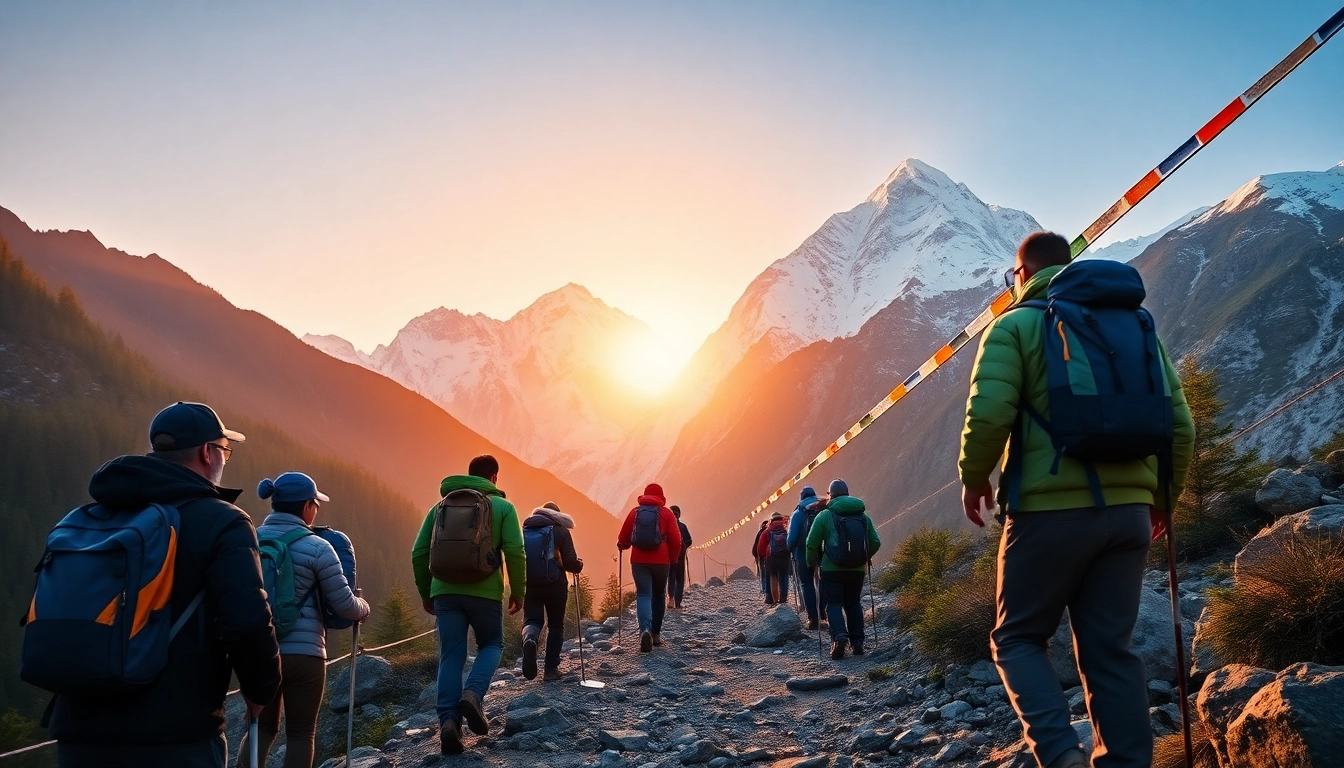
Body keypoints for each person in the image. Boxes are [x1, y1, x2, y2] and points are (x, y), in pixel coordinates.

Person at [959, 231, 1194, 768]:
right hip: (1130, 518)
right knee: (1111, 651)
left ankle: (1062, 755)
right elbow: (1180, 425)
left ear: (1021, 275)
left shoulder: (1014, 325)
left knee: (1018, 638)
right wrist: (1162, 501)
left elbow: (989, 414)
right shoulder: (1136, 325)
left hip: (1048, 514)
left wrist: (974, 478)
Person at [50, 402, 281, 768]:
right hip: (175, 732)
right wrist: (260, 690)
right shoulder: (223, 520)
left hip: (79, 728)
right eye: (225, 450)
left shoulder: (91, 516)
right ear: (207, 453)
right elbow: (247, 620)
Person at [239, 472, 371, 768]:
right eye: (315, 504)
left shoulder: (249, 540)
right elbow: (344, 604)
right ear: (306, 507)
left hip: (259, 651)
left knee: (260, 728)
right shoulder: (319, 547)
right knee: (301, 733)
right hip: (305, 653)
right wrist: (363, 607)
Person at [412, 455, 525, 755]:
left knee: (451, 656)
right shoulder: (503, 507)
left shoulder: (440, 507)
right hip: (485, 593)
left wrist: (427, 593)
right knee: (492, 644)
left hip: (445, 593)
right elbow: (515, 551)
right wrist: (518, 591)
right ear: (494, 478)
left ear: (470, 475)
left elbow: (419, 552)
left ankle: (449, 722)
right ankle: (473, 694)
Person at [805, 479, 880, 660]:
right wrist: (863, 557)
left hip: (831, 569)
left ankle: (839, 637)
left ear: (830, 495)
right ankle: (857, 642)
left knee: (833, 604)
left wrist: (811, 563)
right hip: (857, 570)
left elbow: (811, 543)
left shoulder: (825, 515)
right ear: (847, 493)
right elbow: (875, 542)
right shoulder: (863, 516)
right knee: (853, 603)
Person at [520, 501, 583, 682]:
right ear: (557, 516)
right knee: (555, 625)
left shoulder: (525, 530)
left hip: (530, 583)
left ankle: (530, 640)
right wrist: (579, 565)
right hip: (555, 584)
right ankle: (550, 670)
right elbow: (570, 563)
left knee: (532, 620)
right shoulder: (560, 530)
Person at [616, 483, 682, 653]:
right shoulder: (666, 513)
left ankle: (644, 629)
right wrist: (673, 558)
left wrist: (623, 545)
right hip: (661, 561)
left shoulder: (635, 512)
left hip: (639, 561)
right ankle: (656, 634)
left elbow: (623, 536)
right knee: (659, 595)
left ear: (644, 495)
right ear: (661, 496)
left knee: (643, 594)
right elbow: (676, 539)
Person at [788, 486, 825, 629]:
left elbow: (791, 540)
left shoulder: (797, 513)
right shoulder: (823, 509)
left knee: (807, 584)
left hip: (803, 554)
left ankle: (813, 619)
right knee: (822, 582)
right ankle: (824, 614)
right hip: (823, 552)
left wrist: (791, 548)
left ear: (801, 497)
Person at [756, 511, 792, 605]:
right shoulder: (785, 531)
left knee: (773, 577)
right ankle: (783, 599)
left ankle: (774, 600)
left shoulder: (767, 532)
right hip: (784, 558)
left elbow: (761, 548)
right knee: (784, 577)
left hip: (771, 558)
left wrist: (764, 557)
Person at [666, 505, 692, 609]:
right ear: (679, 515)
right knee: (680, 580)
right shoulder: (682, 526)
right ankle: (678, 603)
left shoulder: (666, 526)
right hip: (680, 557)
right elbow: (689, 540)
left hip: (668, 557)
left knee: (671, 578)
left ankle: (670, 600)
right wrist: (684, 547)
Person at [752, 518, 772, 604]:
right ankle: (770, 591)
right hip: (770, 556)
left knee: (763, 574)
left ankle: (764, 590)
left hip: (760, 556)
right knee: (770, 574)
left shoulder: (760, 532)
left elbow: (756, 546)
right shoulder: (771, 532)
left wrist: (756, 556)